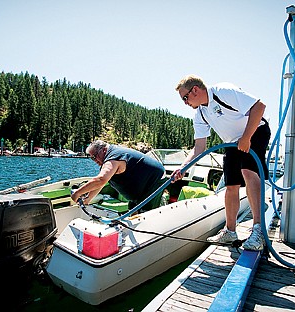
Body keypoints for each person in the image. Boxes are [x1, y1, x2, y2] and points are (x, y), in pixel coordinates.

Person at [172, 75, 270, 251]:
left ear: (195, 89)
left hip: (255, 131)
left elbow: (259, 107)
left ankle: (259, 231)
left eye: (185, 98)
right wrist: (183, 167)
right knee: (231, 184)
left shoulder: (222, 91)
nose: (185, 103)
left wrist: (247, 138)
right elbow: (199, 148)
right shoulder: (200, 113)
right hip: (232, 142)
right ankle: (230, 231)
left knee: (248, 172)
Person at [71, 140, 167, 212]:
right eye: (91, 158)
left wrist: (77, 193)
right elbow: (100, 184)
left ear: (104, 150)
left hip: (154, 180)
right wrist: (87, 200)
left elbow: (101, 180)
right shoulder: (108, 160)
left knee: (145, 214)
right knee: (133, 210)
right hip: (141, 187)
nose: (94, 160)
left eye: (94, 156)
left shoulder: (114, 158)